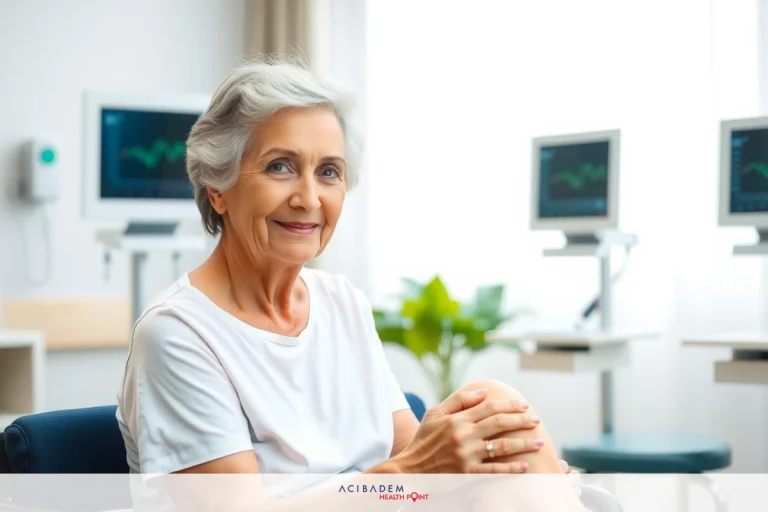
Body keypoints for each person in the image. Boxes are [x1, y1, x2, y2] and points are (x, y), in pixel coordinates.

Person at [115, 59, 583, 511]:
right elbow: (412, 470)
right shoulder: (177, 333)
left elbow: (415, 456)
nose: (309, 198)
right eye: (280, 166)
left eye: (329, 172)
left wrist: (491, 461)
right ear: (217, 185)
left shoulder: (340, 302)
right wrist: (413, 475)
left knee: (494, 405)